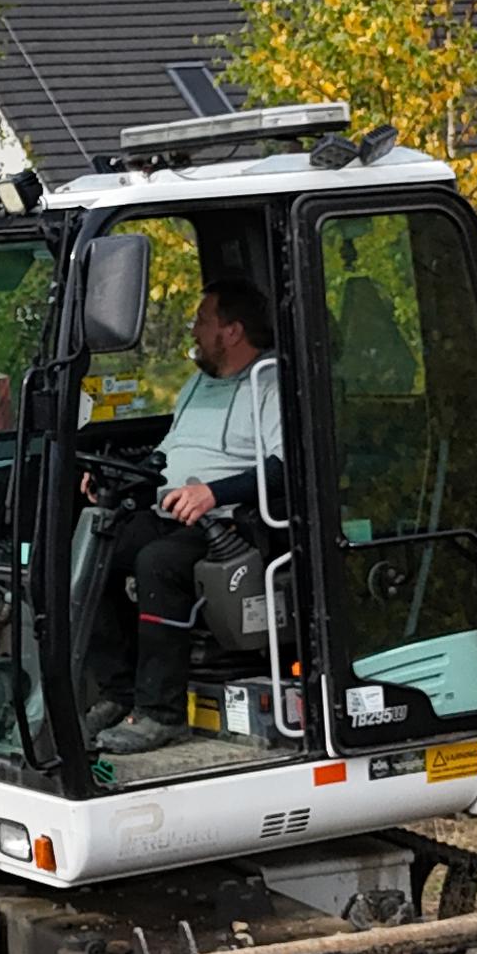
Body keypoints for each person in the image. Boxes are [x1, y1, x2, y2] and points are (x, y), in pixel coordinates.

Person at [84, 281, 278, 753]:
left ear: (231, 332)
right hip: (171, 508)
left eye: (202, 320)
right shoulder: (197, 384)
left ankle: (161, 714)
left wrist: (213, 494)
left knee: (158, 563)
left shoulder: (269, 384)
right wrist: (115, 477)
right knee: (93, 550)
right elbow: (167, 454)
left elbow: (283, 466)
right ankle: (117, 693)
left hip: (232, 521)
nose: (194, 328)